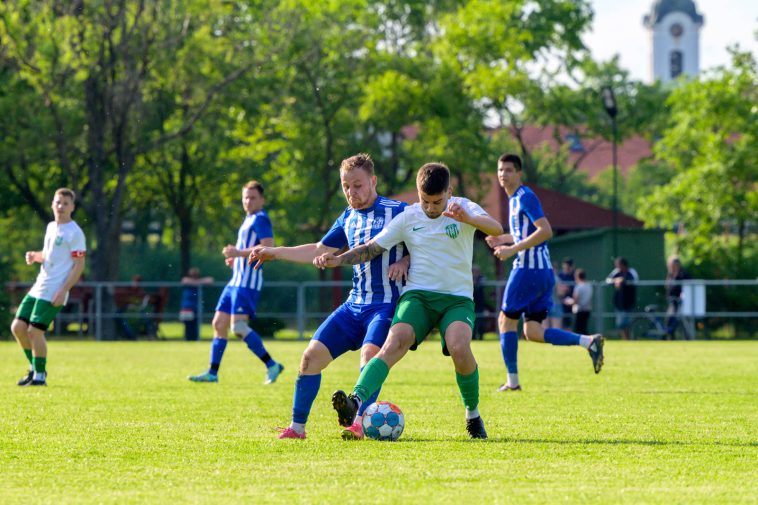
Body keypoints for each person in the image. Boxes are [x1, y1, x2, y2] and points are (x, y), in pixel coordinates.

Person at [316, 162, 504, 439]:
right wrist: (339, 259)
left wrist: (469, 219)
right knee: (394, 342)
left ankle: (472, 415)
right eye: (424, 200)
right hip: (417, 296)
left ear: (449, 192)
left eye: (437, 201)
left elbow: (497, 228)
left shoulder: (463, 207)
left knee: (459, 347)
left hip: (457, 300)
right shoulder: (409, 217)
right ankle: (356, 401)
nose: (430, 207)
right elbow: (372, 248)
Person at [248, 153, 409, 440]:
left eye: (357, 185)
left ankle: (358, 423)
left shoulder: (398, 211)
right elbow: (319, 249)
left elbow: (424, 243)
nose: (351, 192)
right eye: (346, 186)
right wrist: (276, 252)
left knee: (370, 357)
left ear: (373, 181)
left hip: (384, 305)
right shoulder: (347, 217)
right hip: (353, 306)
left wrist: (406, 261)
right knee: (310, 358)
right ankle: (297, 429)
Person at [485, 153, 604, 393]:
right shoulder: (514, 199)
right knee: (533, 332)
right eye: (500, 170)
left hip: (528, 269)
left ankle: (513, 382)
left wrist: (511, 249)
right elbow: (526, 233)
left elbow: (545, 230)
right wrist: (503, 239)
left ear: (519, 174)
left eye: (509, 170)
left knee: (505, 322)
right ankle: (588, 341)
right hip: (542, 271)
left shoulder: (524, 196)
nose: (503, 174)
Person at [188, 180, 284, 384]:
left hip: (248, 283)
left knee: (238, 327)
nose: (248, 201)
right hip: (235, 281)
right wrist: (236, 260)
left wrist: (238, 253)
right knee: (218, 323)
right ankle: (212, 373)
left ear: (262, 200)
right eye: (245, 198)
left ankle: (271, 365)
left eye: (253, 197)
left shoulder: (260, 218)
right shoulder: (248, 219)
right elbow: (250, 250)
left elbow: (268, 246)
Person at [10, 188, 86, 386]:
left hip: (55, 289)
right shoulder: (51, 226)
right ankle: (34, 368)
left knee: (35, 332)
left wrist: (63, 290)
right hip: (39, 285)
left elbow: (79, 265)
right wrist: (36, 256)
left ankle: (40, 377)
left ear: (72, 208)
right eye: (58, 202)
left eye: (65, 204)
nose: (60, 207)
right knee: (18, 327)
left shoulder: (75, 232)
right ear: (52, 204)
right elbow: (49, 254)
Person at [605, 256, 638, 340]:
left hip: (629, 302)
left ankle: (629, 339)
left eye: (618, 265)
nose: (617, 267)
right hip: (619, 303)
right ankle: (626, 339)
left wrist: (623, 280)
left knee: (628, 323)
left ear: (623, 265)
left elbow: (634, 281)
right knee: (620, 324)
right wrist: (615, 280)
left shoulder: (631, 272)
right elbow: (607, 280)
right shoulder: (616, 272)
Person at [180, 267, 214, 341]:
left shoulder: (198, 282)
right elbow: (184, 281)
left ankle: (195, 340)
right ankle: (188, 340)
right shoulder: (186, 281)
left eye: (195, 275)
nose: (194, 276)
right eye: (192, 275)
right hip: (187, 308)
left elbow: (210, 280)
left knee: (196, 327)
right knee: (188, 327)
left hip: (197, 308)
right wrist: (198, 283)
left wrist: (197, 282)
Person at [664, 256, 690, 339]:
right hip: (672, 301)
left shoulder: (683, 274)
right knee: (669, 321)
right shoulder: (670, 275)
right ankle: (670, 337)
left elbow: (688, 286)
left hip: (680, 302)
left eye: (672, 265)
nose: (671, 267)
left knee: (675, 320)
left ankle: (673, 337)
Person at [567, 268, 593, 335]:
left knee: (578, 330)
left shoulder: (578, 287)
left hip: (579, 310)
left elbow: (575, 300)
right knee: (584, 329)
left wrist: (568, 301)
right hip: (587, 310)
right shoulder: (589, 285)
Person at [556, 258, 576, 329]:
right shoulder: (560, 275)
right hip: (561, 300)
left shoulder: (574, 274)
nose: (567, 268)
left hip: (572, 301)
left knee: (569, 320)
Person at [471, 265, 488, 340]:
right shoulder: (469, 278)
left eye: (476, 271)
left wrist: (476, 281)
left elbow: (484, 280)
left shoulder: (482, 278)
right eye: (473, 271)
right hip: (472, 304)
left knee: (480, 322)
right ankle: (473, 337)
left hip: (480, 305)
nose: (475, 273)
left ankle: (481, 337)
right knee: (472, 322)